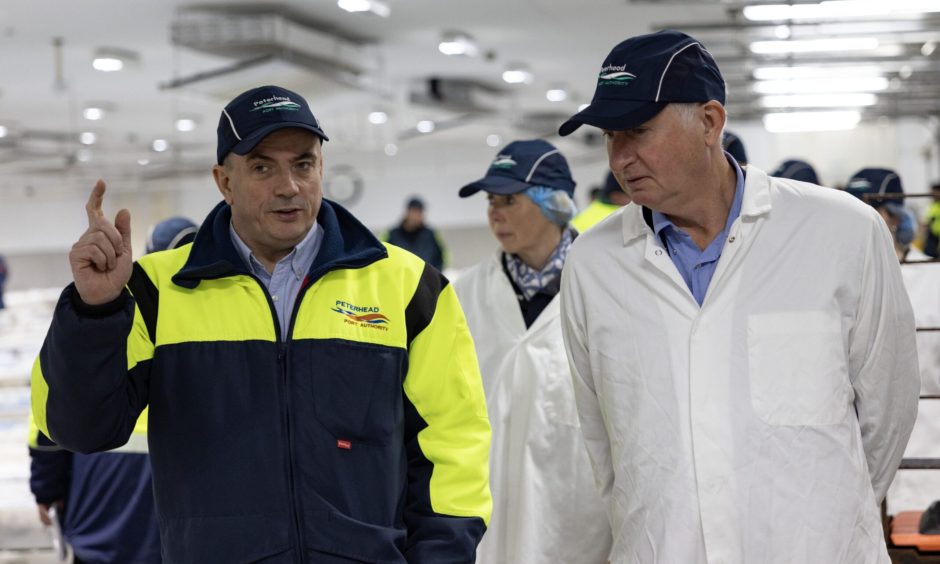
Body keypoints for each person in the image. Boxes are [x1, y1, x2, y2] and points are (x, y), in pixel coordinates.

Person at [30, 85, 492, 563]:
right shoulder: (153, 291)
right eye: (262, 167)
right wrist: (95, 313)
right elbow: (79, 429)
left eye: (303, 163)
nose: (288, 185)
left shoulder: (408, 288)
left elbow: (453, 442)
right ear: (223, 181)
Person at [557, 30, 919, 563]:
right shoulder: (593, 263)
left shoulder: (842, 232)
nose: (621, 156)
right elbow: (605, 442)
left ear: (709, 122)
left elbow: (887, 408)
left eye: (637, 129)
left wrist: (822, 515)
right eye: (611, 135)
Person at [453, 139, 611, 564]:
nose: (494, 213)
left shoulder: (606, 286)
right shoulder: (463, 295)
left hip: (577, 523)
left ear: (554, 204)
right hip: (487, 523)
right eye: (490, 200)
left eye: (509, 199)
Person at [26, 217, 194, 564]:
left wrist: (47, 489)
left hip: (100, 488)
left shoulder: (111, 316)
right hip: (173, 492)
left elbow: (49, 421)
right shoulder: (215, 326)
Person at [383, 196, 447, 271]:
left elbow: (442, 258)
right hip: (399, 279)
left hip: (425, 280)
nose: (416, 216)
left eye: (420, 212)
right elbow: (382, 257)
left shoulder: (431, 235)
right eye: (414, 211)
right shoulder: (392, 234)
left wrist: (435, 276)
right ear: (407, 212)